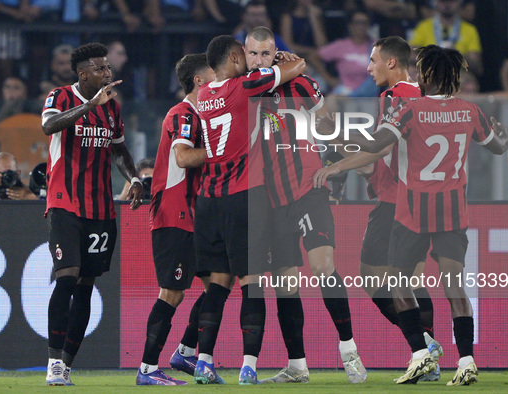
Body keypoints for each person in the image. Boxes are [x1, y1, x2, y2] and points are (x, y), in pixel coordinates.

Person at [340, 44, 508, 385]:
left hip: (413, 211)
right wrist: (501, 136)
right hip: (453, 211)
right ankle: (467, 362)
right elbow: (497, 146)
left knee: (398, 283)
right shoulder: (470, 111)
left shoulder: (408, 108)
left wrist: (341, 134)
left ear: (426, 76)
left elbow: (377, 144)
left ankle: (419, 354)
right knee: (455, 288)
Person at [312, 35, 442, 381]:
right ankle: (428, 356)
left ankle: (423, 346)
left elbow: (378, 149)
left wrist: (337, 152)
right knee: (411, 279)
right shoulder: (421, 95)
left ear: (391, 63)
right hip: (425, 200)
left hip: (394, 203)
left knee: (373, 279)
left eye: (372, 61)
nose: (367, 68)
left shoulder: (394, 95)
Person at [244, 26, 367, 384]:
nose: (259, 60)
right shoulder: (243, 89)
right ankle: (297, 365)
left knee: (323, 266)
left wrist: (348, 165)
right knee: (285, 283)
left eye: (266, 54)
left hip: (308, 188)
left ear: (275, 54)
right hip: (271, 200)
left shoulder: (301, 84)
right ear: (245, 54)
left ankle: (349, 351)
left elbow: (326, 123)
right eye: (253, 54)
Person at [193, 34, 305, 385]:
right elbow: (297, 68)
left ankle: (203, 362)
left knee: (216, 285)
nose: (251, 60)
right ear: (233, 56)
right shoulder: (246, 86)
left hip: (208, 199)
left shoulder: (204, 94)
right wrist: (288, 58)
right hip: (242, 196)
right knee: (252, 283)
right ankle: (248, 367)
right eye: (245, 54)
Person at [41, 42, 144, 386]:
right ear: (83, 73)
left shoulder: (111, 108)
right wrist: (88, 106)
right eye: (101, 69)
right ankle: (53, 362)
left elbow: (119, 150)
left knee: (86, 286)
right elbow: (49, 127)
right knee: (67, 277)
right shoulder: (60, 96)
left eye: (108, 69)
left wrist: (134, 179)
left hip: (100, 208)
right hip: (64, 201)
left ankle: (67, 365)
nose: (108, 74)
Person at [136, 54, 215, 386]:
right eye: (215, 76)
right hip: (174, 213)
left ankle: (184, 350)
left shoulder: (201, 116)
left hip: (195, 216)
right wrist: (224, 150)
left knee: (217, 286)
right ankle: (147, 369)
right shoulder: (182, 114)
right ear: (199, 81)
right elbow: (182, 158)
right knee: (171, 292)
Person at [410, 0, 483, 76]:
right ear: (436, 2)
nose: (447, 5)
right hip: (430, 72)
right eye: (443, 1)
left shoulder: (470, 30)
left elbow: (477, 66)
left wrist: (457, 56)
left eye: (451, 1)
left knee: (469, 85)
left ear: (459, 2)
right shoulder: (423, 27)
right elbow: (410, 55)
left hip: (458, 74)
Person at [318, 10, 379, 97]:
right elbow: (315, 57)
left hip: (370, 93)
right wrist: (328, 79)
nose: (361, 26)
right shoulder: (341, 45)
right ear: (350, 25)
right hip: (345, 91)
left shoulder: (378, 46)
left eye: (364, 23)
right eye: (357, 23)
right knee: (331, 100)